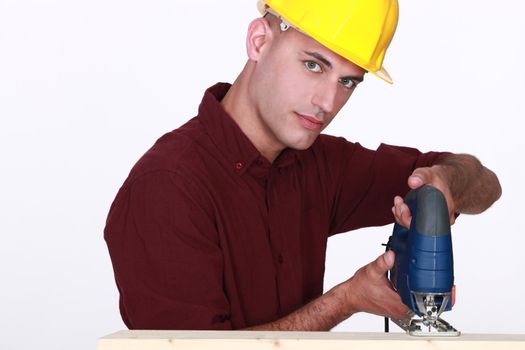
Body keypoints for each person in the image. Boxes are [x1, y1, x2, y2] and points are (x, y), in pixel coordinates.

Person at [104, 0, 501, 331]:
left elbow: (484, 184)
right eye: (314, 65)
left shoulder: (321, 165)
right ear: (259, 41)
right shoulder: (168, 187)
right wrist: (345, 301)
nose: (327, 103)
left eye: (348, 82)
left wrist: (444, 182)